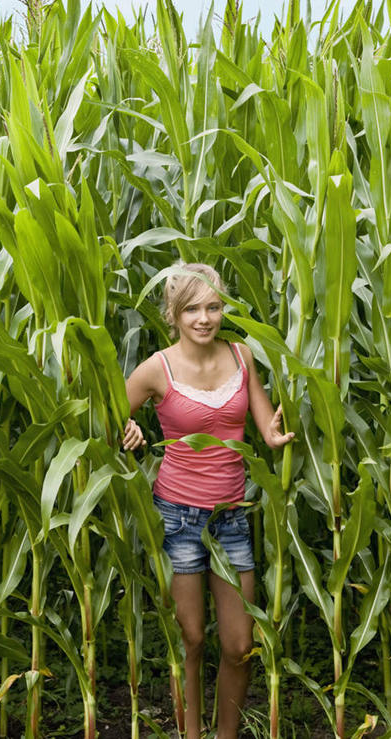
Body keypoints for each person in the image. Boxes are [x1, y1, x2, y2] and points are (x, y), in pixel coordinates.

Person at [121, 262, 294, 739]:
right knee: (191, 640)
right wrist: (127, 428)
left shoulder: (241, 356)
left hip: (231, 517)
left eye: (213, 307)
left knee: (240, 644)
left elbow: (263, 423)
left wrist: (275, 436)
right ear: (174, 315)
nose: (204, 318)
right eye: (192, 309)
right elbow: (107, 410)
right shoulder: (158, 367)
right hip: (177, 517)